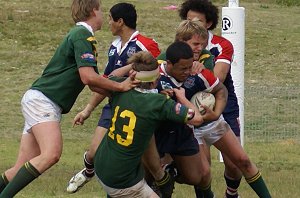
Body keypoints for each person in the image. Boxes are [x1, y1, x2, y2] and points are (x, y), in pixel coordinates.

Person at [0, 0, 138, 197]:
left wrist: (118, 92)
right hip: (43, 101)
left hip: (38, 99)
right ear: (93, 11)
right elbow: (88, 77)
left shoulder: (82, 36)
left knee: (19, 169)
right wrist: (120, 86)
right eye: (101, 11)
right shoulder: (83, 35)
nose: (103, 16)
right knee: (51, 154)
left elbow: (92, 83)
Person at [66, 2, 170, 195]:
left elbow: (158, 70)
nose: (108, 22)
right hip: (115, 106)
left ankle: (162, 183)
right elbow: (106, 81)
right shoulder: (114, 47)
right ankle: (89, 171)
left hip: (140, 108)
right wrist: (87, 109)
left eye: (110, 19)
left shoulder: (145, 44)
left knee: (137, 161)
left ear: (120, 22)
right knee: (94, 152)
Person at [179, 0, 271, 197]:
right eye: (188, 20)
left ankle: (231, 193)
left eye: (198, 21)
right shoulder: (181, 48)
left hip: (223, 104)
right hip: (192, 109)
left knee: (236, 164)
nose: (192, 24)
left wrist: (201, 68)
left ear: (209, 23)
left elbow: (218, 78)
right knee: (203, 172)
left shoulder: (221, 45)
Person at [94, 51, 205, 198]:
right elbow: (197, 119)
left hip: (101, 165)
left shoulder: (120, 88)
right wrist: (181, 97)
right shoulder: (159, 104)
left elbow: (94, 83)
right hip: (123, 180)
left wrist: (122, 83)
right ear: (155, 80)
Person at [154, 41, 228, 198]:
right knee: (150, 182)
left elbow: (221, 90)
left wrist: (216, 113)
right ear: (169, 64)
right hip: (156, 133)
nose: (188, 71)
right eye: (183, 68)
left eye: (190, 66)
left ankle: (172, 170)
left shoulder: (199, 74)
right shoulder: (154, 77)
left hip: (183, 132)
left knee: (196, 176)